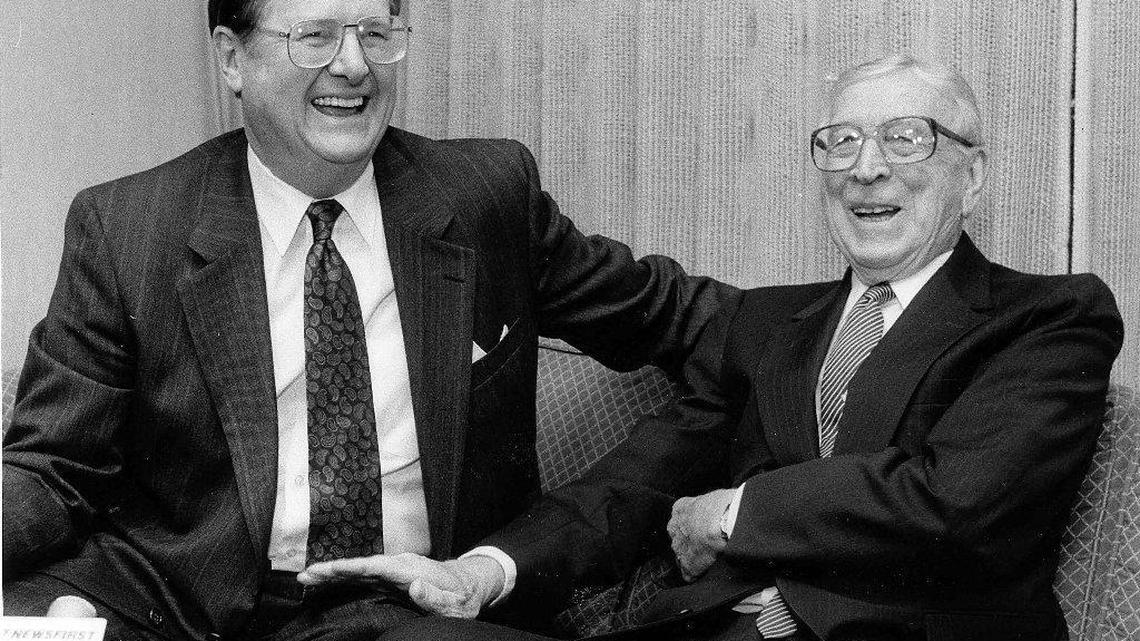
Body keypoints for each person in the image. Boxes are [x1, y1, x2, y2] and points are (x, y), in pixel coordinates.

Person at [299, 55, 1124, 641]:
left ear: (972, 176)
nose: (866, 168)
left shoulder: (1048, 317)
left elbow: (956, 503)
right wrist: (485, 569)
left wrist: (736, 512)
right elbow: (635, 481)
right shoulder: (766, 323)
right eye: (840, 142)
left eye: (906, 139)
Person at [0, 1, 736, 639]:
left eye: (376, 34)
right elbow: (53, 464)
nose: (354, 65)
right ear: (232, 58)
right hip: (164, 602)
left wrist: (844, 341)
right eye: (315, 36)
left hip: (398, 607)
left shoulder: (484, 197)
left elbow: (692, 320)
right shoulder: (129, 226)